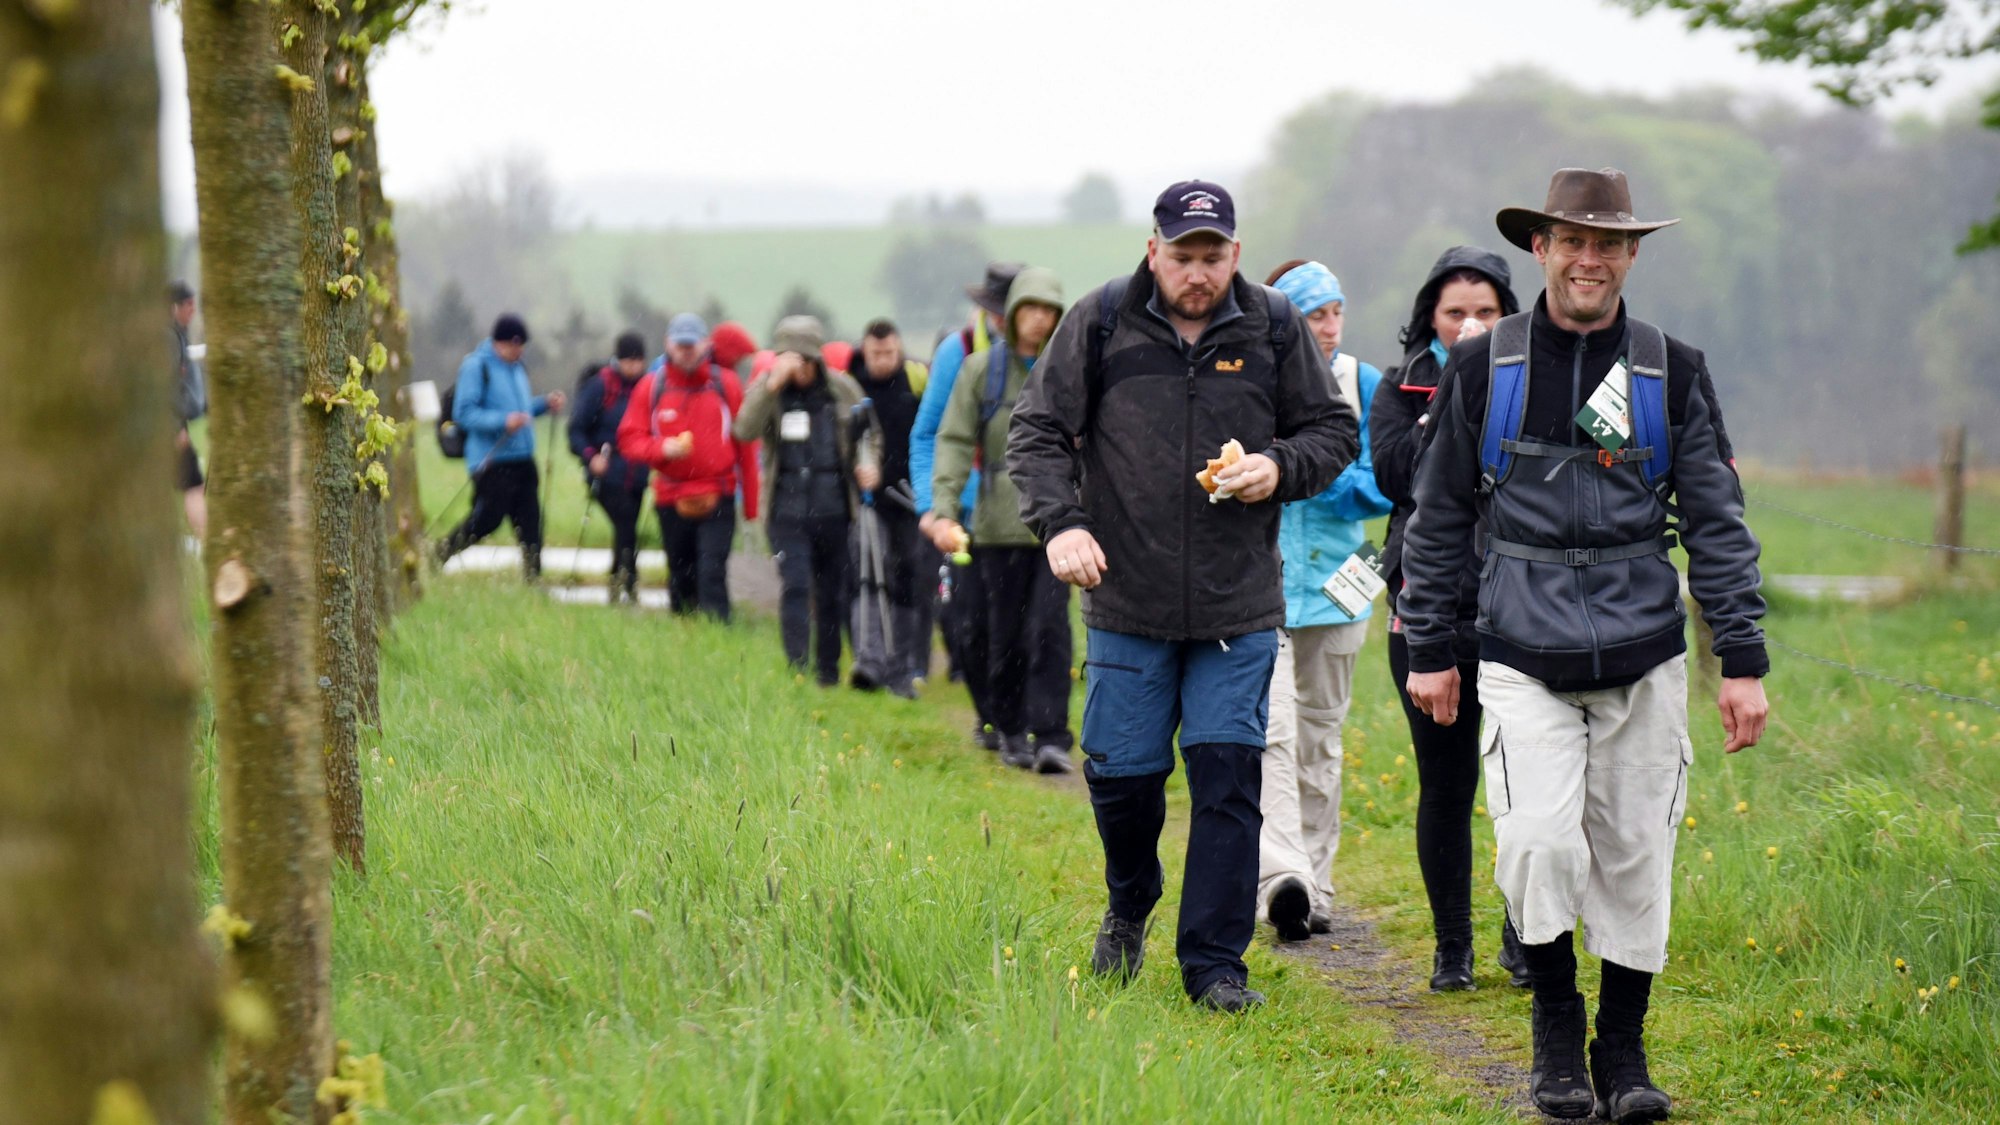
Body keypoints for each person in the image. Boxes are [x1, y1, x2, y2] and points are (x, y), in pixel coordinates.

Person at [1401, 168, 1769, 1121]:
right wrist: (1430, 647)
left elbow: (1718, 520)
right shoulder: (1485, 368)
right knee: (1536, 843)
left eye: (1609, 243)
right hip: (1517, 647)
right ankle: (1557, 1031)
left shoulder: (1672, 369)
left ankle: (1625, 1049)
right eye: (1573, 240)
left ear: (1632, 255)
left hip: (1646, 647)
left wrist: (1743, 658)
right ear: (1542, 249)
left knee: (1637, 851)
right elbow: (1437, 515)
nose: (1589, 258)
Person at [1008, 180, 1357, 1012]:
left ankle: (1213, 963)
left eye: (1212, 256)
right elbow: (1038, 430)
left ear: (1235, 253)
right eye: (1182, 256)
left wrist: (1278, 467)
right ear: (1153, 249)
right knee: (1123, 776)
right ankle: (1131, 898)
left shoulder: (1271, 324)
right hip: (1125, 594)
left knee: (1227, 776)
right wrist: (1061, 523)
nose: (1197, 273)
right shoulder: (1099, 320)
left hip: (1237, 606)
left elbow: (1331, 432)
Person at [1372, 245, 1529, 992]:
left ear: (1511, 315)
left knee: (1527, 784)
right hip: (1427, 613)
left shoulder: (1538, 385)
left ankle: (1524, 935)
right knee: (1447, 783)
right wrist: (1451, 397)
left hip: (1522, 610)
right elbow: (1395, 474)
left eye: (1487, 313)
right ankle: (1452, 947)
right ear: (1429, 318)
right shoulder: (1398, 388)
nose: (1470, 325)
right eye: (1454, 313)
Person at [1255, 260, 1394, 942]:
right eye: (1316, 314)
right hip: (1267, 584)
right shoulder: (1256, 374)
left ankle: (1322, 885)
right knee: (1273, 735)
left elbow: (1386, 481)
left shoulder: (1365, 383)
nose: (1331, 325)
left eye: (1337, 310)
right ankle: (1287, 881)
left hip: (1347, 582)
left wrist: (1311, 469)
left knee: (1321, 741)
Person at [930, 268, 1075, 773]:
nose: (1039, 321)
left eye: (1048, 311)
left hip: (1058, 526)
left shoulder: (1072, 372)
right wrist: (943, 511)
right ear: (1011, 315)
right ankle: (1010, 729)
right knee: (1002, 632)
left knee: (1049, 628)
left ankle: (1053, 735)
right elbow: (951, 440)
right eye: (1029, 309)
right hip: (994, 526)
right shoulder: (979, 371)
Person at [912, 262, 1020, 750]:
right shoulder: (955, 354)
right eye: (996, 312)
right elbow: (928, 434)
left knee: (1027, 625)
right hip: (968, 516)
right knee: (970, 624)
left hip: (1026, 517)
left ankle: (1020, 721)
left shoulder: (1049, 354)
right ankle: (989, 716)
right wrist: (932, 507)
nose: (1004, 321)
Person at [734, 316, 876, 685]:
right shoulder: (770, 391)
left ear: (815, 360)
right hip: (786, 509)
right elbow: (743, 429)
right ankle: (798, 669)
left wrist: (869, 465)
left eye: (798, 360)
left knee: (832, 592)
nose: (792, 367)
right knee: (795, 586)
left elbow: (869, 434)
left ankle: (827, 672)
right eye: (784, 359)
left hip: (834, 507)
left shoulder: (843, 390)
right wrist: (771, 385)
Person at [617, 313, 758, 619]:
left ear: (705, 344)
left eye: (691, 345)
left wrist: (751, 505)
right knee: (681, 577)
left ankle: (720, 640)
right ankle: (684, 640)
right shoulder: (651, 387)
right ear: (668, 345)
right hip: (670, 497)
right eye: (680, 345)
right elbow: (629, 439)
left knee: (712, 573)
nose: (685, 351)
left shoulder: (727, 385)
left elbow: (746, 445)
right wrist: (661, 449)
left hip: (718, 493)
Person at [434, 315, 566, 580]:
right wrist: (503, 421)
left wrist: (543, 405)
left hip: (522, 459)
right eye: (514, 346)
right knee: (487, 520)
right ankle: (440, 554)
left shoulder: (516, 367)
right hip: (491, 460)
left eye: (521, 346)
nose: (519, 352)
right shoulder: (476, 366)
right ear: (500, 342)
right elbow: (465, 413)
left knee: (531, 522)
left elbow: (521, 410)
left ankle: (533, 580)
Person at [848, 318, 930, 696]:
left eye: (890, 352)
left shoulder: (917, 381)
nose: (883, 359)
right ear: (865, 350)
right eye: (876, 353)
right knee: (869, 573)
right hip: (868, 501)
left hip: (910, 498)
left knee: (908, 580)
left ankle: (903, 667)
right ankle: (869, 661)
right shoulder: (851, 385)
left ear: (899, 349)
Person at [568, 331, 653, 603]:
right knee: (626, 523)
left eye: (638, 360)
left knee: (626, 528)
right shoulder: (600, 386)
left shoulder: (648, 387)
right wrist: (591, 457)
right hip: (606, 472)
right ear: (618, 359)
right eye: (629, 360)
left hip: (637, 472)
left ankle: (618, 585)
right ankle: (628, 584)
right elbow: (576, 430)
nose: (634, 366)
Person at [169, 281, 206, 537]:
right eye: (189, 305)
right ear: (175, 307)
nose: (193, 310)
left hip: (176, 426)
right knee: (193, 485)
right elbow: (162, 384)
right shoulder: (167, 338)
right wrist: (175, 429)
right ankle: (203, 536)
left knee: (192, 483)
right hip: (170, 430)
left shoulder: (178, 335)